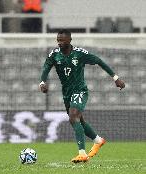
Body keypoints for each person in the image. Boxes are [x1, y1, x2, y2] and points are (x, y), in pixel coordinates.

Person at [39, 29, 125, 163]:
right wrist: (42, 82)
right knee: (80, 121)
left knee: (73, 117)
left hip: (80, 90)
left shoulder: (80, 54)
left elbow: (99, 61)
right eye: (58, 40)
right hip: (66, 93)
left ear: (69, 40)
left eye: (62, 40)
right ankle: (98, 140)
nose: (59, 43)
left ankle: (82, 153)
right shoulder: (54, 54)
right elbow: (46, 67)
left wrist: (116, 78)